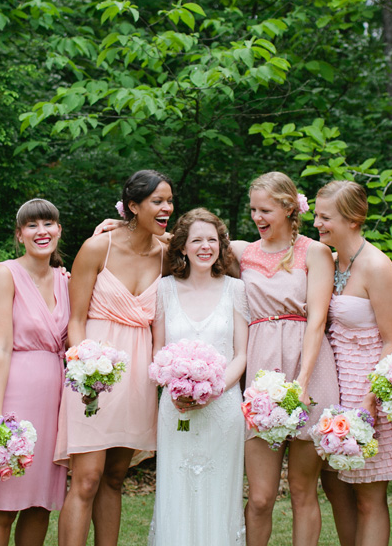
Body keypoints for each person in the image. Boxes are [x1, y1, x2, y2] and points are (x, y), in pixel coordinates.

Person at [55, 170, 173, 546]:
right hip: (95, 370)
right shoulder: (97, 248)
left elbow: (215, 248)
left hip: (138, 375)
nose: (167, 208)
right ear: (134, 206)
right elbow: (76, 319)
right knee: (87, 478)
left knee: (115, 477)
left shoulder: (167, 253)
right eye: (158, 201)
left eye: (170, 201)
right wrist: (84, 369)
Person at [230, 171, 340, 546]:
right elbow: (189, 239)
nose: (256, 217)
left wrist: (303, 382)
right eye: (253, 209)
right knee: (260, 497)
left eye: (265, 210)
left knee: (301, 490)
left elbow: (318, 320)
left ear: (290, 208)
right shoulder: (242, 252)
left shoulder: (315, 252)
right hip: (261, 371)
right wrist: (120, 224)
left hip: (309, 367)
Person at [147, 208, 249, 546]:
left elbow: (241, 354)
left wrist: (212, 389)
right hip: (176, 406)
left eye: (212, 240)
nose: (206, 247)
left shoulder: (236, 289)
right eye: (197, 241)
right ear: (182, 247)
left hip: (224, 407)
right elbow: (158, 349)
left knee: (219, 491)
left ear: (221, 245)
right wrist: (175, 387)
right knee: (177, 488)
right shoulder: (164, 289)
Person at [0, 198, 69, 545]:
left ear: (58, 230)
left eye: (48, 223)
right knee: (1, 505)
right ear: (19, 234)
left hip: (54, 399)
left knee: (39, 505)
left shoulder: (65, 280)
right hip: (13, 393)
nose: (41, 231)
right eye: (32, 225)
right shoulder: (5, 273)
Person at [313, 181, 392, 546]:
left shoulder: (377, 266)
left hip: (364, 387)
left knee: (368, 496)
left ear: (353, 219)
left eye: (325, 217)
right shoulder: (330, 260)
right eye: (316, 215)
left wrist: (370, 398)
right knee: (335, 488)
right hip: (332, 384)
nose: (317, 224)